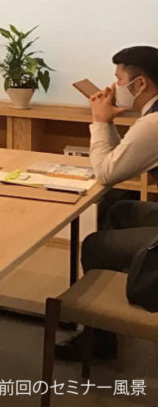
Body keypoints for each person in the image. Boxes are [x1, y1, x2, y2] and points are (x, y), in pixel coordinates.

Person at [56, 45, 158, 361]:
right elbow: (119, 164)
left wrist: (99, 122)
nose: (114, 87)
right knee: (119, 210)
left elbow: (104, 173)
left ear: (140, 84)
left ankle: (100, 341)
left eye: (119, 79)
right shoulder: (151, 117)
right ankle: (132, 276)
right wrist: (108, 122)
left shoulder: (154, 124)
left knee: (95, 246)